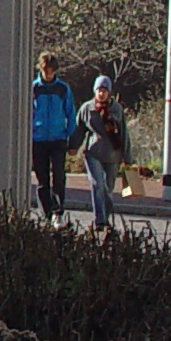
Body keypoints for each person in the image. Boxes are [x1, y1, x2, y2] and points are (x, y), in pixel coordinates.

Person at [76, 75, 132, 230]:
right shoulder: (87, 108)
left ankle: (106, 217)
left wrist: (128, 157)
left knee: (108, 188)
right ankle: (99, 220)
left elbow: (124, 133)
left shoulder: (116, 109)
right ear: (95, 91)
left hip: (113, 154)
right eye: (99, 90)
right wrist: (73, 146)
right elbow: (79, 129)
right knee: (97, 184)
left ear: (109, 92)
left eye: (104, 90)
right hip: (93, 152)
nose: (101, 94)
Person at [28, 52, 75, 220]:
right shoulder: (34, 88)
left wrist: (69, 134)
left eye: (51, 71)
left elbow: (70, 112)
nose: (49, 74)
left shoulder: (63, 88)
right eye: (46, 70)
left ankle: (58, 210)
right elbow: (28, 112)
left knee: (59, 176)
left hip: (58, 139)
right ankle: (46, 213)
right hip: (38, 139)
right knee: (42, 179)